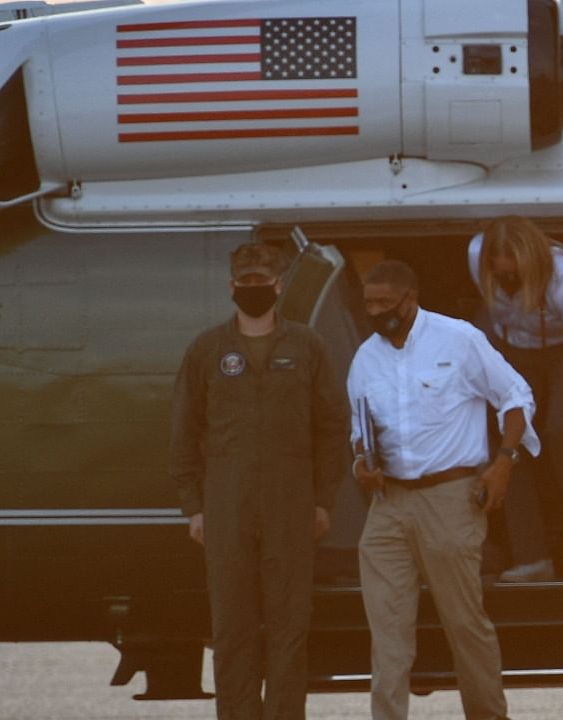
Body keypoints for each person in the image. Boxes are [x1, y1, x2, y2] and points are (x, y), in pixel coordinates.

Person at [348, 259, 539, 720]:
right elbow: (359, 432)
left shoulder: (459, 339)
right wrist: (362, 464)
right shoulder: (365, 358)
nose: (374, 311)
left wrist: (503, 463)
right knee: (388, 633)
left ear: (409, 300)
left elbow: (515, 396)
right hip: (388, 505)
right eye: (368, 303)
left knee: (464, 624)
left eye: (383, 303)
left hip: (451, 499)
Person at [169, 242, 349, 720]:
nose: (253, 290)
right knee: (231, 628)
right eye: (245, 284)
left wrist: (323, 500)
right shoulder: (207, 350)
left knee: (291, 626)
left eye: (261, 283)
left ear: (278, 286)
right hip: (226, 507)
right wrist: (194, 507)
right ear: (232, 287)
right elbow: (184, 432)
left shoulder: (307, 346)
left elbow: (333, 428)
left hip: (292, 506)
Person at [469, 216, 563, 579]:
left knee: (561, 428)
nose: (508, 283)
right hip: (513, 345)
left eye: (513, 276)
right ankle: (532, 555)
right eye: (500, 277)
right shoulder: (475, 254)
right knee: (508, 435)